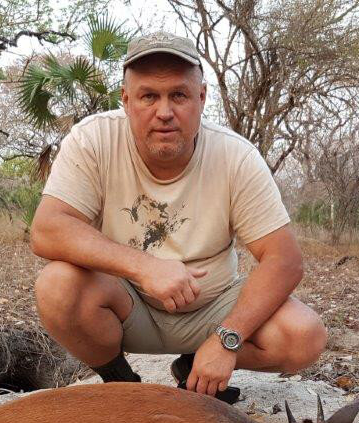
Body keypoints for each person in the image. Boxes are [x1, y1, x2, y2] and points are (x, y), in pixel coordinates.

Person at [30, 31, 326, 401]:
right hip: (128, 304)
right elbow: (47, 229)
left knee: (304, 334)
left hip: (213, 310)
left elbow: (284, 260)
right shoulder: (92, 140)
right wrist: (145, 267)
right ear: (126, 100)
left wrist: (227, 339)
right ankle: (120, 383)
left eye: (179, 95)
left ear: (201, 98)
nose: (164, 112)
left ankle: (196, 370)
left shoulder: (236, 156)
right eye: (149, 96)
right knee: (56, 286)